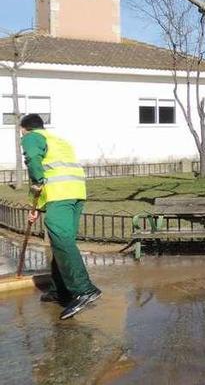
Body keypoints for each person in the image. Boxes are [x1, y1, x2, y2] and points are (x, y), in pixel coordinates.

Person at [20, 114, 101, 319]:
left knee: (60, 238)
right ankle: (60, 290)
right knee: (62, 242)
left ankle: (84, 290)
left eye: (21, 131)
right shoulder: (59, 141)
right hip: (76, 194)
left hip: (61, 195)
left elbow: (34, 162)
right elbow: (55, 171)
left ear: (25, 128)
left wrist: (36, 180)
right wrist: (36, 208)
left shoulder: (31, 137)